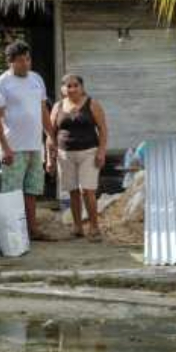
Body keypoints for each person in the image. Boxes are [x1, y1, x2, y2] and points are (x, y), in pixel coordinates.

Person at [0, 40, 53, 241]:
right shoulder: (1, 83)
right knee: (12, 192)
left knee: (32, 190)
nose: (26, 64)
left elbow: (43, 111)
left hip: (35, 145)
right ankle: (12, 234)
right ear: (10, 62)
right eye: (20, 60)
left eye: (28, 59)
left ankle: (32, 230)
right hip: (13, 147)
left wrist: (51, 136)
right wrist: (4, 148)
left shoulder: (36, 79)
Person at [48, 74, 108, 240]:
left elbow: (103, 129)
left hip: (89, 152)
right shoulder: (57, 106)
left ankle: (94, 227)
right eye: (68, 86)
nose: (72, 89)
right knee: (73, 191)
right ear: (63, 89)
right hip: (64, 154)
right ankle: (78, 227)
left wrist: (101, 151)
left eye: (76, 85)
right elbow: (50, 133)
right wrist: (49, 157)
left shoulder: (92, 104)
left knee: (87, 190)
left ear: (82, 88)